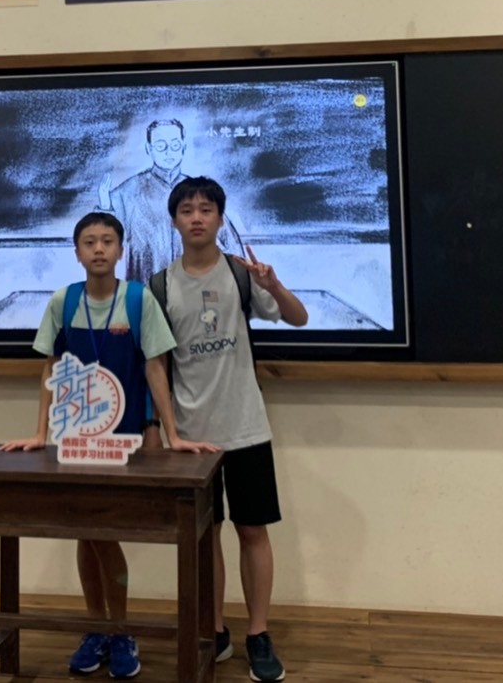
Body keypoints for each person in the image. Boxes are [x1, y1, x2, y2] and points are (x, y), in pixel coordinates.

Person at [0, 210, 217, 679]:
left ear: (121, 249)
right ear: (77, 252)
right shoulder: (63, 301)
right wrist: (40, 433)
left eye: (107, 241)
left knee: (104, 531)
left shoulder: (138, 300)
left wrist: (172, 433)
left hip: (128, 439)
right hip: (76, 439)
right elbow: (50, 368)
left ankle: (118, 629)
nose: (98, 249)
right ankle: (97, 627)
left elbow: (156, 368)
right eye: (89, 242)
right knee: (87, 531)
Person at [159, 176, 308, 683]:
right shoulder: (159, 286)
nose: (196, 217)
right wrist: (165, 430)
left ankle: (258, 633)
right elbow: (157, 364)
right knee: (206, 536)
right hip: (191, 437)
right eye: (186, 210)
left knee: (252, 531)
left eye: (206, 209)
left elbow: (298, 318)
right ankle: (215, 628)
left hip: (245, 428)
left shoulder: (242, 275)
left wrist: (274, 285)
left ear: (221, 218)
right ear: (174, 221)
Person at [98, 118, 243, 283]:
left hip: (194, 289)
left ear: (183, 147)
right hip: (145, 288)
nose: (168, 152)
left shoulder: (199, 191)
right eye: (161, 146)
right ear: (149, 149)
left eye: (175, 145)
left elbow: (231, 245)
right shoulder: (127, 191)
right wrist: (105, 206)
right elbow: (104, 238)